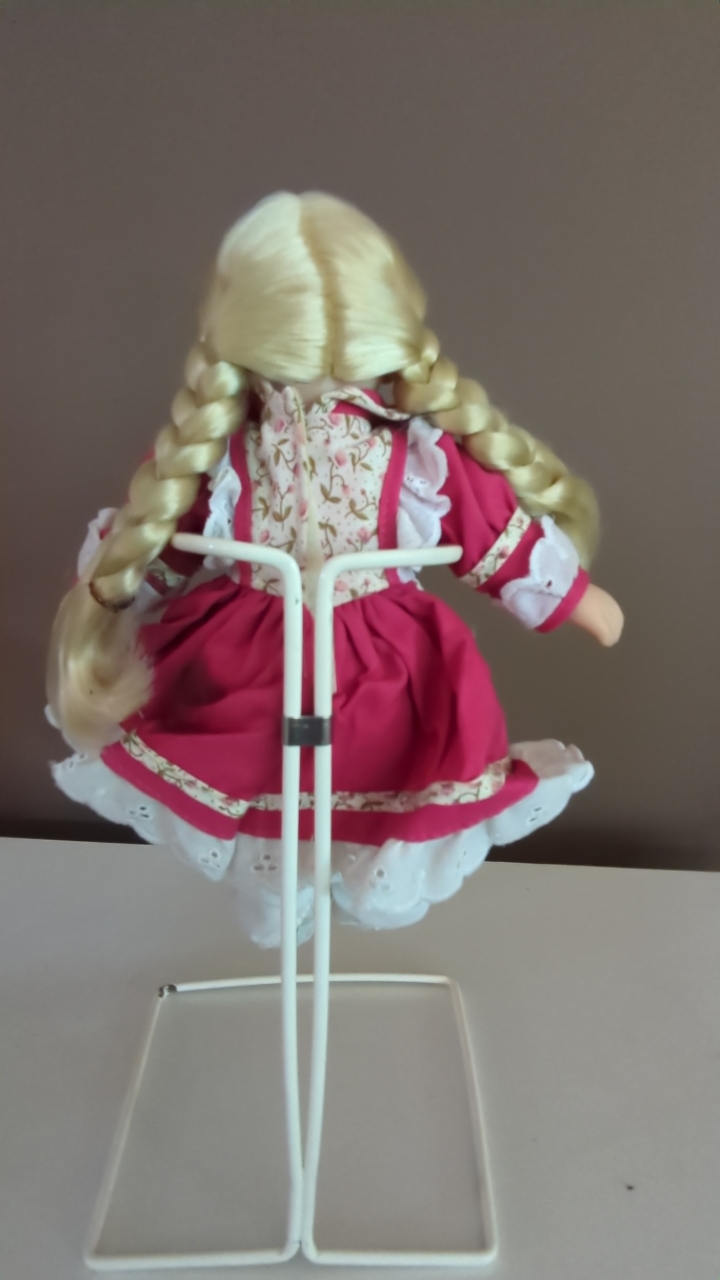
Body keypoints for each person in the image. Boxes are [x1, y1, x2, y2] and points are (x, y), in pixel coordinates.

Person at [47, 192, 623, 946]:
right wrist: (114, 595)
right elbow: (163, 536)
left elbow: (489, 531)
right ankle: (281, 886)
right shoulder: (221, 450)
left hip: (382, 667)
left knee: (387, 762)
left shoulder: (414, 451)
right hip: (253, 665)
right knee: (253, 775)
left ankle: (339, 884)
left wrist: (575, 598)